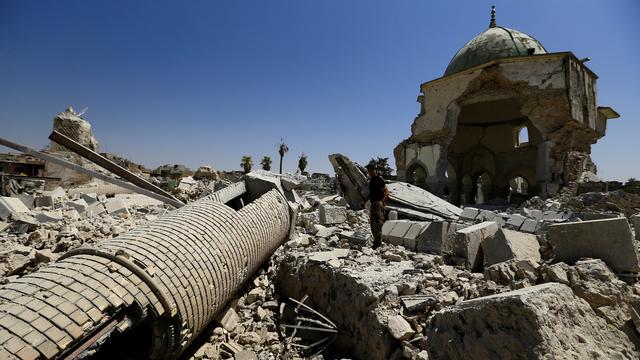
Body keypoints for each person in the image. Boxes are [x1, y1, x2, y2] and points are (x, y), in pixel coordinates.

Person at [362, 164, 388, 249]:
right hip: (373, 204)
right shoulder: (371, 180)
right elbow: (371, 194)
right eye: (369, 170)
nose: (370, 172)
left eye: (372, 170)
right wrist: (365, 200)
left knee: (378, 224)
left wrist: (382, 202)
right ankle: (375, 241)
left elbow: (387, 192)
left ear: (375, 170)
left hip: (378, 204)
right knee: (372, 224)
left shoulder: (379, 180)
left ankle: (378, 242)